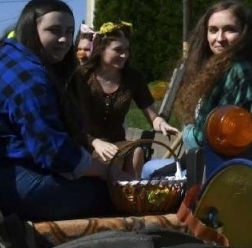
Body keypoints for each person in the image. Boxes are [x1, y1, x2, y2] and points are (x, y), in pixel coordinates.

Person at [0, 0, 113, 221]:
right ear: (31, 28)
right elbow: (54, 152)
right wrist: (108, 172)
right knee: (106, 194)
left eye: (69, 31)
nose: (64, 39)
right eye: (54, 30)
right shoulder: (29, 77)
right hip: (1, 179)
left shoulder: (5, 55)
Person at [172, 1, 252, 173]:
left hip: (238, 171)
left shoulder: (240, 71)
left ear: (245, 33)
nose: (219, 38)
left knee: (150, 173)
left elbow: (215, 135)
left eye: (229, 29)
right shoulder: (218, 68)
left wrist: (189, 133)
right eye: (213, 30)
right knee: (151, 171)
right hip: (217, 164)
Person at [66, 22, 179, 170]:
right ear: (101, 50)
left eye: (127, 49)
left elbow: (153, 117)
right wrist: (93, 142)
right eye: (118, 50)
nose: (124, 55)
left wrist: (161, 123)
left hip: (117, 144)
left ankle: (133, 191)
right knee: (115, 160)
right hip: (85, 144)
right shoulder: (81, 77)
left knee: (136, 152)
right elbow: (68, 121)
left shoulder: (133, 78)